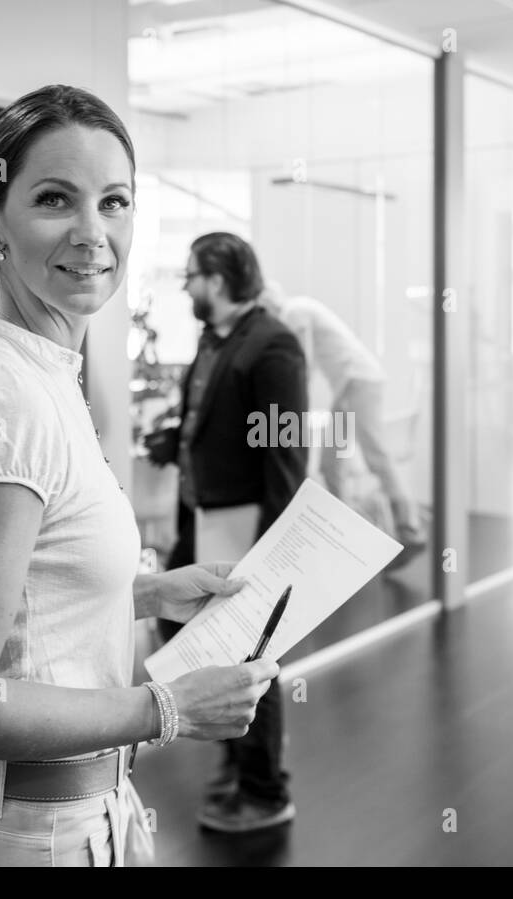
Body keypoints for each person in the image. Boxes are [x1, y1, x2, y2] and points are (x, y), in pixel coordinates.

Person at [0, 85, 278, 867]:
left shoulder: (43, 368)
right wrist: (165, 708)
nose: (92, 233)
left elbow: (19, 610)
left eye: (114, 202)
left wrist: (141, 592)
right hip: (24, 839)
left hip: (67, 817)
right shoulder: (1, 393)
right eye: (53, 199)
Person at [144, 233, 307, 832]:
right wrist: (172, 442)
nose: (185, 286)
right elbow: (204, 421)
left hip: (243, 531)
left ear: (218, 278)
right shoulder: (216, 341)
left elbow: (287, 454)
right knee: (180, 629)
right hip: (202, 522)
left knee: (249, 657)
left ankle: (265, 790)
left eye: (191, 275)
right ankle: (239, 755)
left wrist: (273, 550)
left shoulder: (273, 345)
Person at [257, 281, 427, 567]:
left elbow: (302, 365)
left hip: (356, 382)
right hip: (351, 383)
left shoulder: (293, 312)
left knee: (372, 457)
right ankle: (344, 537)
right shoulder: (300, 308)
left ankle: (409, 528)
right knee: (331, 465)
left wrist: (292, 405)